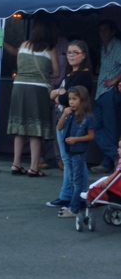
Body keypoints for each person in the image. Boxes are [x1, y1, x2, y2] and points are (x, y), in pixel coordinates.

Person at [6, 20, 60, 176]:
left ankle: (16, 164)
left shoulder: (23, 46)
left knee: (20, 126)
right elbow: (56, 73)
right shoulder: (50, 50)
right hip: (38, 89)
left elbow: (19, 66)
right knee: (36, 128)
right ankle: (33, 167)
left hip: (19, 87)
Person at [46, 40, 94, 208]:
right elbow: (52, 93)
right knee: (67, 160)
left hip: (75, 122)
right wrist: (58, 93)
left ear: (84, 55)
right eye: (69, 53)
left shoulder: (84, 75)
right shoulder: (69, 75)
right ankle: (67, 195)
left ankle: (79, 197)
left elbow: (66, 98)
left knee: (75, 161)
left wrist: (59, 95)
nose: (71, 56)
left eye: (75, 52)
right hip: (63, 118)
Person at [56, 86, 95, 218]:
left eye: (74, 99)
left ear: (82, 100)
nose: (71, 102)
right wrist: (64, 114)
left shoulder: (87, 117)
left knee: (77, 181)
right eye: (70, 99)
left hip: (78, 153)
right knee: (72, 180)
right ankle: (72, 205)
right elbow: (59, 127)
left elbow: (91, 136)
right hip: (70, 151)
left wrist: (76, 139)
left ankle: (74, 208)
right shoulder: (70, 115)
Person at [91, 20, 121, 173]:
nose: (102, 33)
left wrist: (116, 80)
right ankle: (113, 158)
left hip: (110, 92)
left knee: (110, 129)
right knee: (95, 126)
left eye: (105, 30)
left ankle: (110, 161)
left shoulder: (118, 45)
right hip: (101, 91)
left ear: (113, 31)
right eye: (100, 30)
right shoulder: (104, 47)